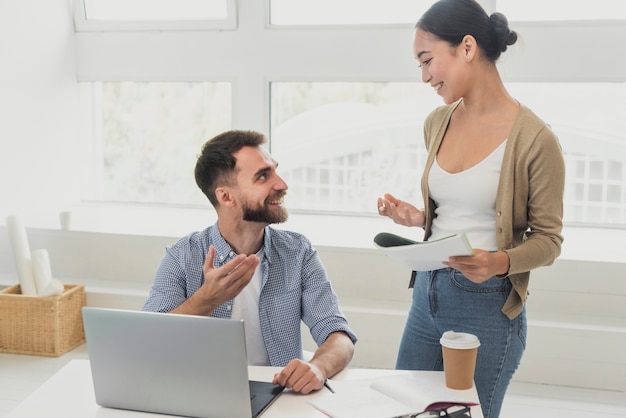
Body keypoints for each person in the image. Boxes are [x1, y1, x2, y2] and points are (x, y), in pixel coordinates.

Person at [377, 0, 564, 417]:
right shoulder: (437, 122)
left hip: (486, 303)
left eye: (428, 60)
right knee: (405, 411)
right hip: (427, 295)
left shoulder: (534, 140)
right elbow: (465, 210)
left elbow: (549, 240)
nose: (424, 76)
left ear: (466, 47)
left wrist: (498, 261)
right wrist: (419, 218)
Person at [143, 129, 357, 394]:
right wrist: (207, 299)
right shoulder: (182, 256)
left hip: (279, 396)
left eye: (275, 171)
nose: (282, 184)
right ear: (226, 197)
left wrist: (318, 367)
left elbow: (339, 336)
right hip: (201, 394)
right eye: (263, 176)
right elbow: (149, 343)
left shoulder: (298, 252)